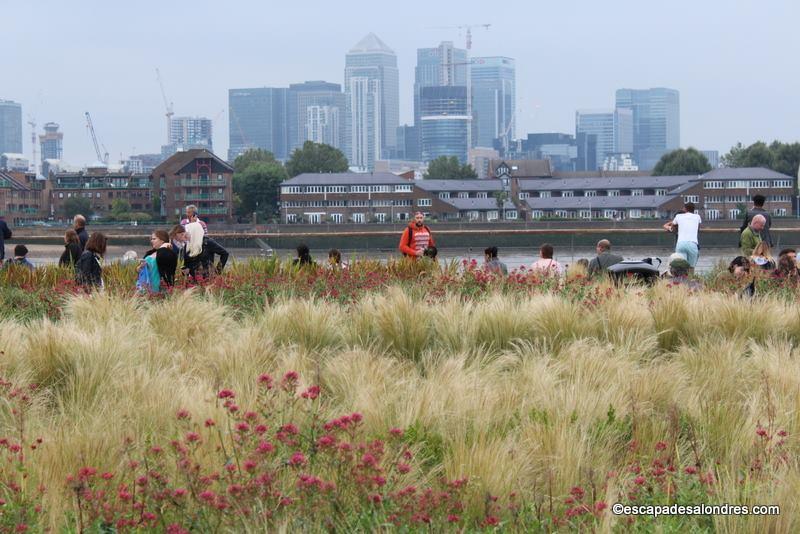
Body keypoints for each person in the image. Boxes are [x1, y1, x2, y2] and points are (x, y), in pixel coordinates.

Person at [663, 202, 701, 269]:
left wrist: (671, 228)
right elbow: (698, 228)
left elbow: (673, 227)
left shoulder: (678, 216)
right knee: (691, 267)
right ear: (694, 209)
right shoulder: (697, 217)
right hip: (693, 243)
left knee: (681, 266)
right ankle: (690, 278)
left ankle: (680, 279)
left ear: (685, 209)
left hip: (680, 244)